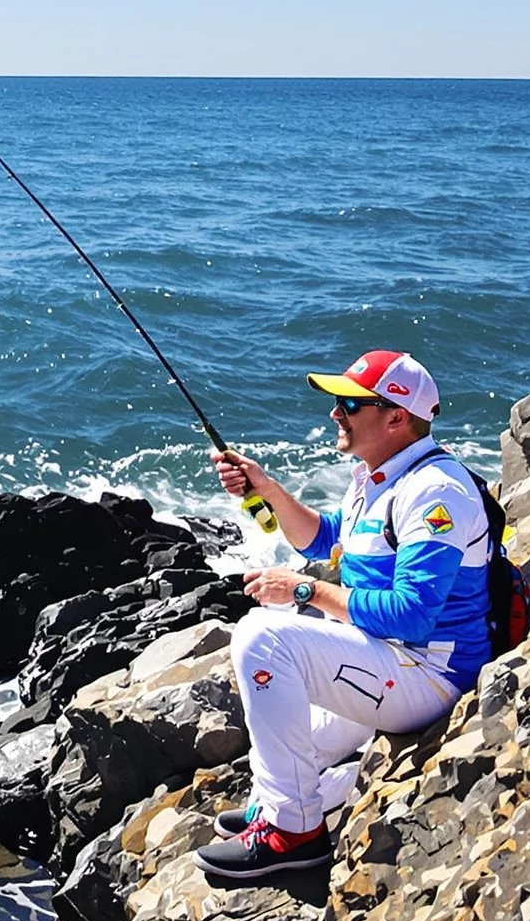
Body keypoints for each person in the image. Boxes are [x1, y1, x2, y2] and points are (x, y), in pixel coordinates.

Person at [193, 348, 492, 887]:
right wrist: (265, 488)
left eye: (350, 404)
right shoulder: (376, 477)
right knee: (292, 732)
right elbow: (324, 537)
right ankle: (275, 806)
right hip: (389, 659)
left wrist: (304, 590)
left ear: (396, 416)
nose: (335, 413)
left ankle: (294, 833)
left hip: (428, 674)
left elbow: (413, 615)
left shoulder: (434, 492)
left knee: (262, 637)